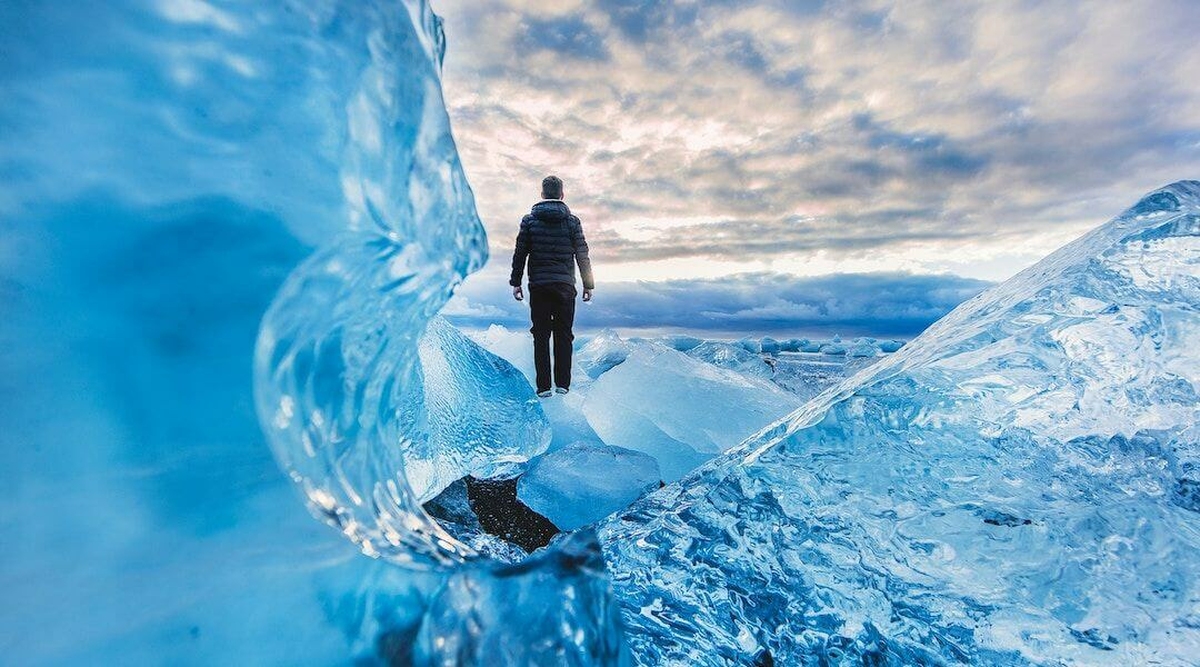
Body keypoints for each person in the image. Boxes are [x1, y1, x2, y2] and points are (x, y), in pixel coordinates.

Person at [510, 175, 594, 398]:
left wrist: (516, 282)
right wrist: (588, 284)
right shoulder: (572, 222)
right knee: (564, 334)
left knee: (540, 335)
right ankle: (563, 385)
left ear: (542, 194)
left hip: (539, 285)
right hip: (565, 286)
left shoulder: (529, 221)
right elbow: (582, 254)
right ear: (562, 195)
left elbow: (520, 253)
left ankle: (544, 387)